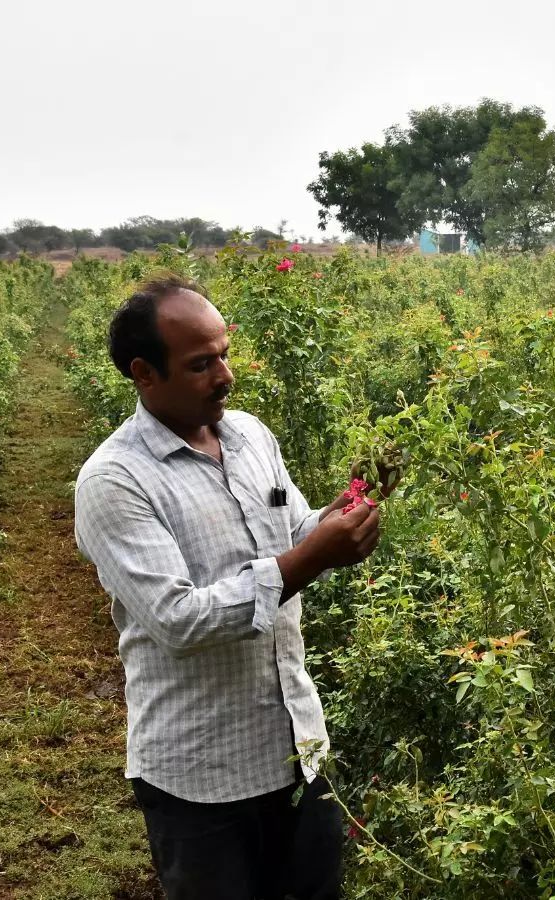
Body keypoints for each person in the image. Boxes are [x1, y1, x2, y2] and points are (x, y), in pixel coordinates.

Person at [73, 271, 382, 900]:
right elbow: (179, 620)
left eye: (224, 354)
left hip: (297, 749)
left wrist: (339, 513)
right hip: (200, 779)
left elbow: (292, 529)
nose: (224, 375)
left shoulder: (249, 436)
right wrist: (312, 559)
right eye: (200, 364)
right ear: (144, 373)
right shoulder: (114, 480)